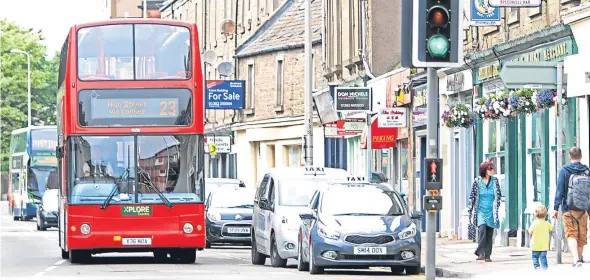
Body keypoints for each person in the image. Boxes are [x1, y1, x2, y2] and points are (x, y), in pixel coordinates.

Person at [553, 147, 590, 268]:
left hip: (568, 208)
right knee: (582, 235)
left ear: (570, 157)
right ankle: (579, 258)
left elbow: (560, 190)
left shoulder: (564, 170)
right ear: (581, 156)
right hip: (584, 209)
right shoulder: (586, 170)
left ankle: (576, 259)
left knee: (571, 234)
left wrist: (555, 207)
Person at [467, 161, 502, 262]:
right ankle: (480, 252)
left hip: (491, 211)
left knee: (489, 234)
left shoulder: (495, 181)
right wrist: (470, 209)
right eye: (490, 169)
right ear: (484, 170)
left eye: (492, 169)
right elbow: (472, 196)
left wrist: (496, 206)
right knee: (482, 230)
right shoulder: (477, 181)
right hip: (480, 211)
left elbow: (498, 196)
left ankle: (487, 255)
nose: (492, 171)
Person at [529, 205, 552, 270]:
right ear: (545, 215)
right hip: (544, 245)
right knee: (543, 257)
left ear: (535, 215)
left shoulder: (534, 223)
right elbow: (551, 228)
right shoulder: (547, 223)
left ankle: (537, 267)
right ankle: (545, 268)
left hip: (535, 245)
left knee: (535, 257)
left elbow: (530, 232)